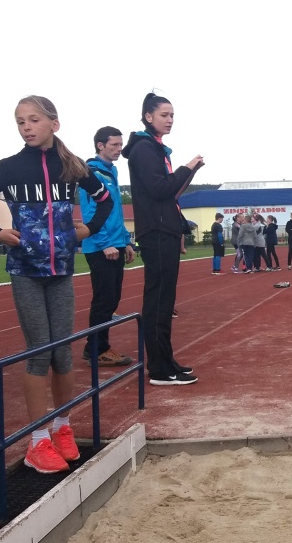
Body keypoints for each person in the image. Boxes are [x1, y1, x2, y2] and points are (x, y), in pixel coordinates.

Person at [0, 95, 114, 474]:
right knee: (40, 353)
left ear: (54, 124)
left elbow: (105, 200)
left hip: (61, 271)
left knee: (63, 353)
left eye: (33, 120)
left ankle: (62, 427)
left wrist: (88, 230)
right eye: (20, 121)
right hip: (26, 271)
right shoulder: (10, 167)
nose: (26, 127)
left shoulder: (72, 165)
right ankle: (37, 440)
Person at [122, 92, 203, 386]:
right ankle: (158, 368)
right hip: (155, 232)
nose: (170, 120)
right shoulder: (145, 149)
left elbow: (170, 192)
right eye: (164, 115)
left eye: (172, 116)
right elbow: (159, 189)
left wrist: (189, 172)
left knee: (165, 300)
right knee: (158, 300)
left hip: (164, 229)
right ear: (148, 117)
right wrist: (186, 167)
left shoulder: (154, 148)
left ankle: (166, 360)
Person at [80, 126, 135, 369]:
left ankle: (93, 347)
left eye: (121, 145)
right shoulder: (91, 173)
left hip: (115, 243)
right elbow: (90, 212)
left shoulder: (111, 171)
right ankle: (98, 350)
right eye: (114, 145)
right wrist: (105, 244)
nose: (119, 149)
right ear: (100, 145)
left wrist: (126, 241)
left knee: (112, 298)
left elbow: (116, 213)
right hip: (101, 246)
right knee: (104, 300)